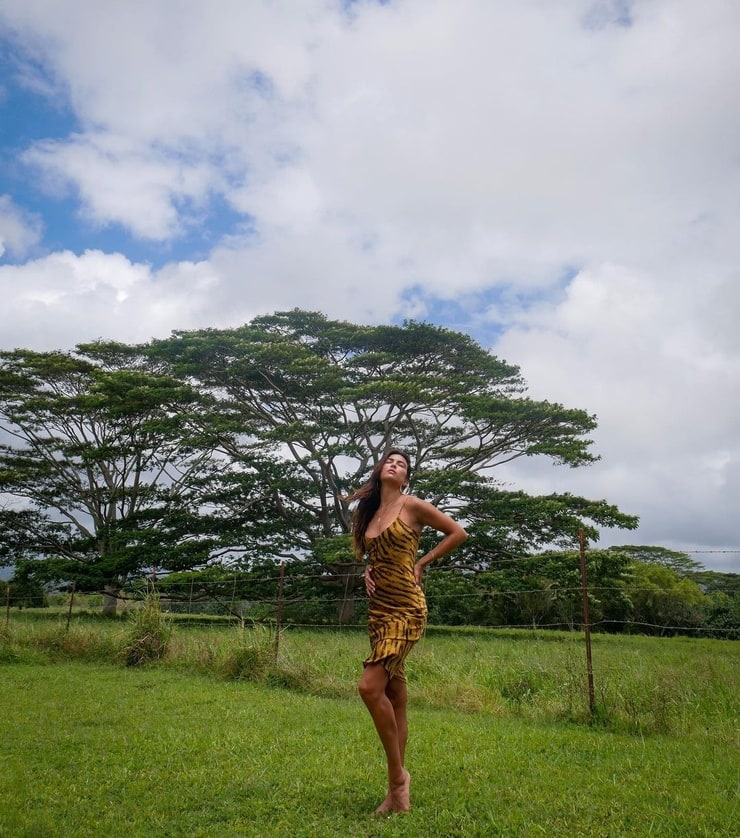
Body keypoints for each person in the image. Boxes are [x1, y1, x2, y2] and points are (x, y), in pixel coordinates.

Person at [346, 449, 467, 814]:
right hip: (379, 611)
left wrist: (422, 562)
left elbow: (457, 532)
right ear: (380, 470)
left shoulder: (412, 505)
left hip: (407, 609)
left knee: (369, 687)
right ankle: (395, 793)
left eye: (401, 464)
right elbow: (377, 554)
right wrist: (370, 570)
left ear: (406, 478)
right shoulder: (369, 514)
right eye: (389, 461)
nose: (394, 465)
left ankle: (399, 780)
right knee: (395, 695)